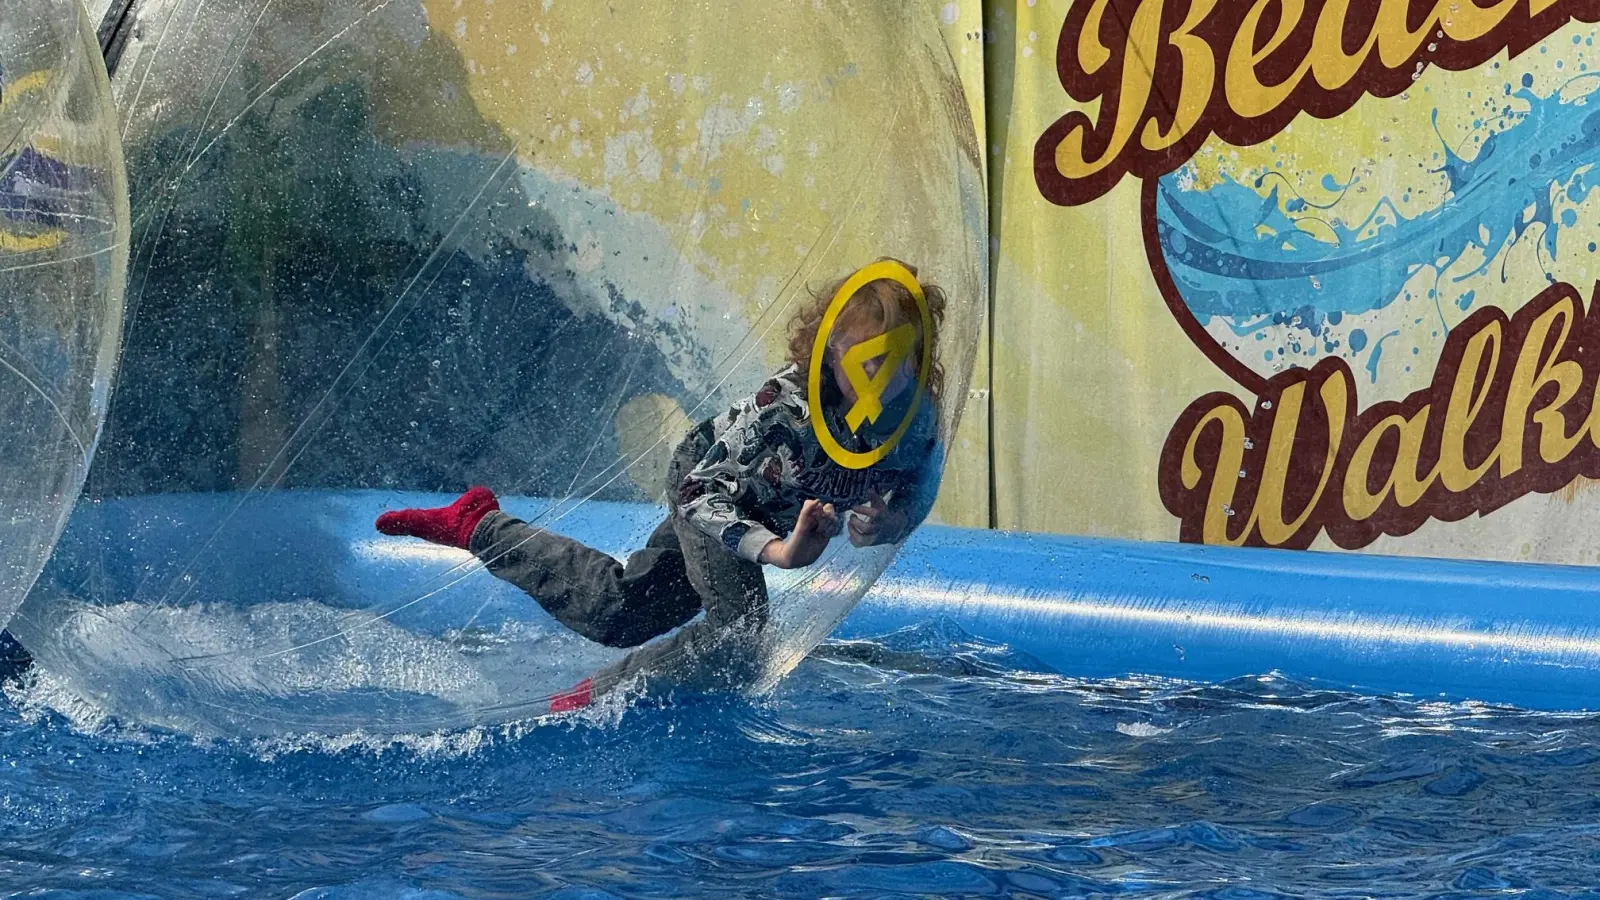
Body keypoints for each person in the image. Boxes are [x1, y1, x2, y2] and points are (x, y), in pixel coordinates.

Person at [374, 259, 947, 711]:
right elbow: (703, 493)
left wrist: (892, 521)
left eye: (902, 363)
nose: (886, 381)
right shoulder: (781, 412)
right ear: (828, 350)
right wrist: (778, 550)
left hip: (764, 517)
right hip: (713, 491)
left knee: (623, 612)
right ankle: (590, 700)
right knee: (739, 636)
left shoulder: (913, 421)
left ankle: (480, 524)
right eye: (868, 362)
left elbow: (917, 484)